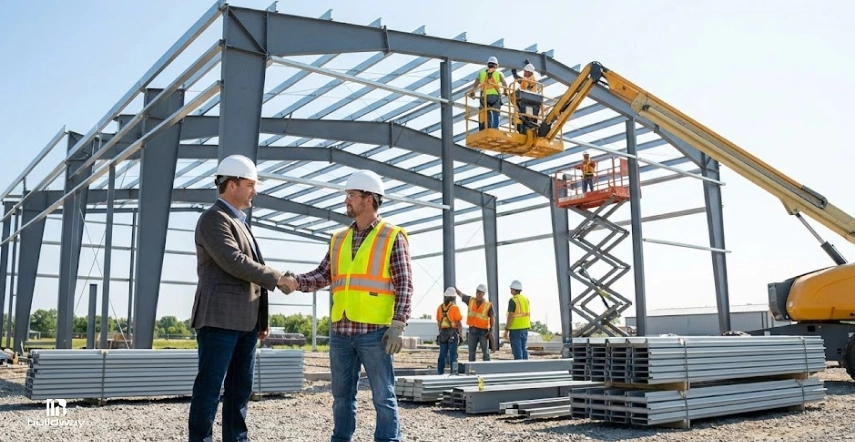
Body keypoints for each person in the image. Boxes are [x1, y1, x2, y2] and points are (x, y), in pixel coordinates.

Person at [280, 169, 413, 442]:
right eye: (347, 196)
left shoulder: (392, 236)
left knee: (383, 396)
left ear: (370, 199)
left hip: (375, 331)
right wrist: (296, 282)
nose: (346, 201)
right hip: (341, 330)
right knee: (341, 397)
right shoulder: (339, 238)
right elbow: (323, 274)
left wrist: (398, 324)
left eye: (352, 195)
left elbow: (405, 283)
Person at [188, 154, 293, 442]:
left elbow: (249, 277)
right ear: (232, 184)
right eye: (250, 184)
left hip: (245, 324)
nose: (254, 191)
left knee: (239, 390)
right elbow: (234, 261)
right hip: (219, 320)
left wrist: (261, 319)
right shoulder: (213, 219)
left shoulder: (240, 222)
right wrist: (278, 278)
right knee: (210, 389)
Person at [454, 284, 494, 362]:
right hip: (472, 331)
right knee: (471, 353)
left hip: (483, 332)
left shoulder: (488, 305)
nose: (478, 294)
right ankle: (472, 368)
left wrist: (491, 329)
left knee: (485, 353)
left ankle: (487, 369)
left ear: (483, 294)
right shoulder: (470, 300)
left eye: (480, 293)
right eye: (477, 292)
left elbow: (492, 317)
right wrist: (455, 289)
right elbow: (461, 295)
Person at [468, 56, 508, 130]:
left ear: (488, 65)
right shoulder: (499, 73)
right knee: (496, 112)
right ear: (496, 65)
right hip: (495, 96)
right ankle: (495, 128)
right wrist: (505, 92)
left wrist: (472, 92)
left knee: (485, 113)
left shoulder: (481, 73)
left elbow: (475, 84)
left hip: (484, 97)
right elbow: (505, 84)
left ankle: (485, 128)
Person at [436, 288, 463, 375]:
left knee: (442, 354)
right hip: (452, 333)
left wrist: (441, 333)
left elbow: (439, 322)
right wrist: (461, 336)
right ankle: (453, 373)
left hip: (443, 333)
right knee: (453, 355)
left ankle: (440, 372)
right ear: (454, 298)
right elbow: (458, 323)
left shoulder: (440, 308)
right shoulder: (455, 308)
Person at [503, 280, 530, 360]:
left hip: (515, 328)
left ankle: (519, 367)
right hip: (525, 328)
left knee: (517, 349)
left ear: (514, 289)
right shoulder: (525, 299)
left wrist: (506, 329)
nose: (510, 290)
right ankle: (526, 366)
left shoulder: (513, 300)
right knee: (523, 348)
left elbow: (510, 316)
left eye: (511, 289)